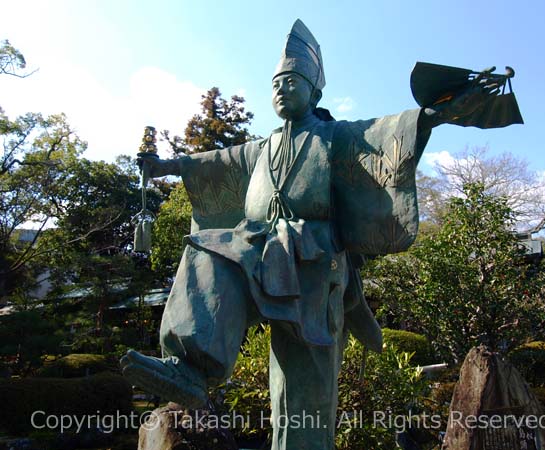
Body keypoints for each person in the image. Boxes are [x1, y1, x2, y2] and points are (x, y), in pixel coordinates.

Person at [121, 19, 509, 450]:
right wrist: (165, 167)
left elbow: (386, 133)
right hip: (259, 248)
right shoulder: (260, 148)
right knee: (207, 251)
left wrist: (438, 113)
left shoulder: (335, 136)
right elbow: (214, 161)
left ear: (314, 91)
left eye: (291, 82)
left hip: (315, 263)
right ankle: (191, 368)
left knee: (303, 385)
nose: (282, 90)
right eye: (276, 84)